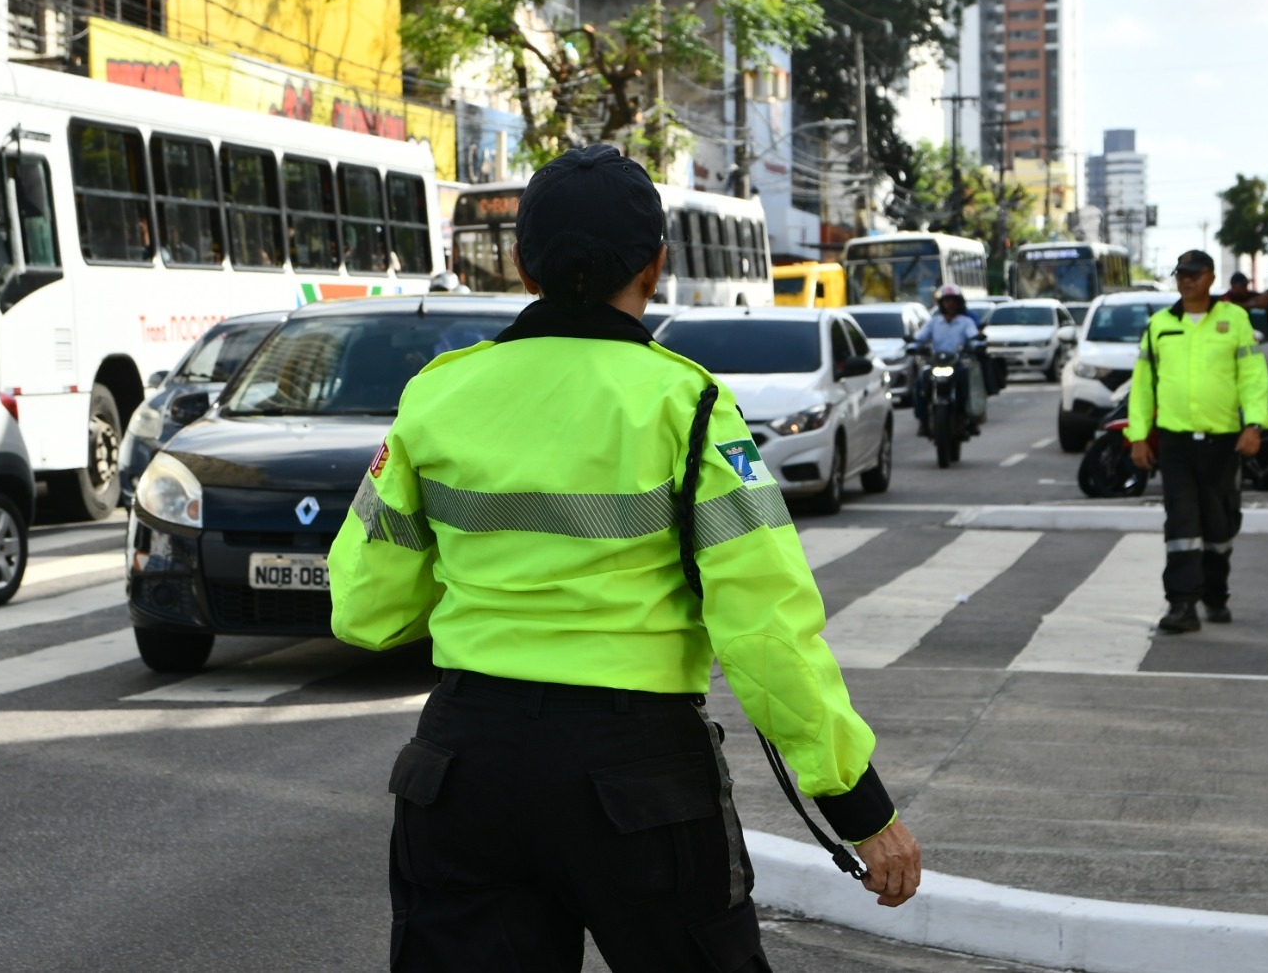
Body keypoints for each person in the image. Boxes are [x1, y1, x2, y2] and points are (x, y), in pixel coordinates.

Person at [328, 144, 920, 972]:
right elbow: (766, 629)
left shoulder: (437, 394)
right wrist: (857, 805)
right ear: (654, 266)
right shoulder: (687, 404)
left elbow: (365, 610)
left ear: (524, 267)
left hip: (463, 770)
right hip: (638, 778)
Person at [1127, 249, 1268, 634]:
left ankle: (1215, 593)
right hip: (1175, 441)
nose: (1187, 280)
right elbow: (1143, 386)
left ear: (1210, 277)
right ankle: (1182, 605)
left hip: (1223, 441)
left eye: (1194, 274)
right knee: (1181, 520)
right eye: (1181, 274)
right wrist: (1138, 436)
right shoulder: (1160, 325)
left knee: (1219, 523)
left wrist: (1253, 425)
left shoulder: (1234, 320)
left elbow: (1253, 377)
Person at [911, 283, 983, 437]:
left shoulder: (966, 322)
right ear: (941, 303)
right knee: (920, 382)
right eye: (947, 301)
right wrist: (913, 346)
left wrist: (977, 345)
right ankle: (923, 421)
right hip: (936, 363)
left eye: (953, 301)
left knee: (968, 380)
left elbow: (973, 338)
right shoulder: (934, 322)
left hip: (957, 364)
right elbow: (920, 338)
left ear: (959, 303)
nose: (950, 304)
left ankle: (970, 419)